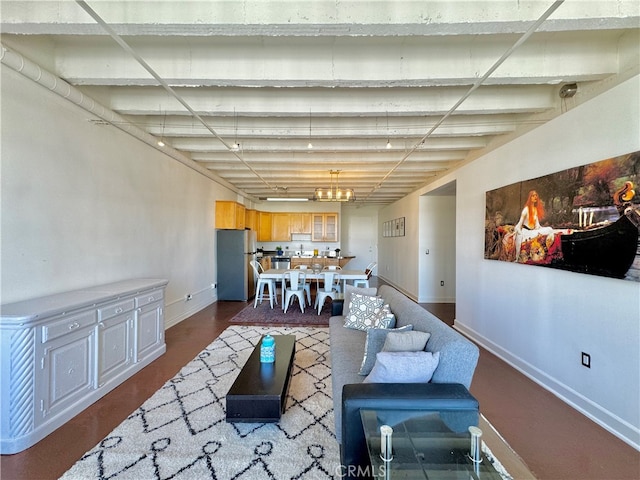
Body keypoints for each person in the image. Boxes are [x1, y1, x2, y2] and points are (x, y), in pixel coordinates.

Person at [513, 190, 553, 261]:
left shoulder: (535, 209)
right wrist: (519, 232)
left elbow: (537, 225)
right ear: (530, 198)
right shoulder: (526, 209)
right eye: (533, 196)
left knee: (549, 229)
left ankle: (549, 252)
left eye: (536, 195)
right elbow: (519, 224)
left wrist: (541, 229)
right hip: (526, 232)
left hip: (533, 232)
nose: (535, 197)